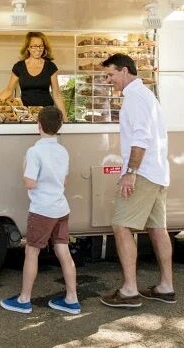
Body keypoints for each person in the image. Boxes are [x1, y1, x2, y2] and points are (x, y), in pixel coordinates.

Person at [100, 53, 175, 308]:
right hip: (158, 171)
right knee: (157, 229)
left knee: (121, 226)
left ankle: (129, 291)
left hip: (142, 172)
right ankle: (166, 287)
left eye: (110, 75)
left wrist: (130, 172)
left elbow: (140, 139)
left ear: (124, 70)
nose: (109, 80)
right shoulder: (148, 96)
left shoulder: (134, 98)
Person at [1, 106, 80, 314]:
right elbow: (63, 180)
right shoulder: (63, 151)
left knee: (32, 251)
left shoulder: (34, 152)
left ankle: (24, 299)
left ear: (39, 126)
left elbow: (29, 182)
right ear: (59, 127)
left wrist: (24, 166)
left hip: (42, 209)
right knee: (62, 250)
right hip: (61, 207)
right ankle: (72, 299)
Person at [0, 31, 67, 120]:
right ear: (28, 48)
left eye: (41, 46)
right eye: (34, 46)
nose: (38, 49)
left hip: (46, 113)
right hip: (25, 113)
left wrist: (66, 120)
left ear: (44, 47)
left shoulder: (50, 66)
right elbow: (8, 90)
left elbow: (56, 94)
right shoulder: (19, 66)